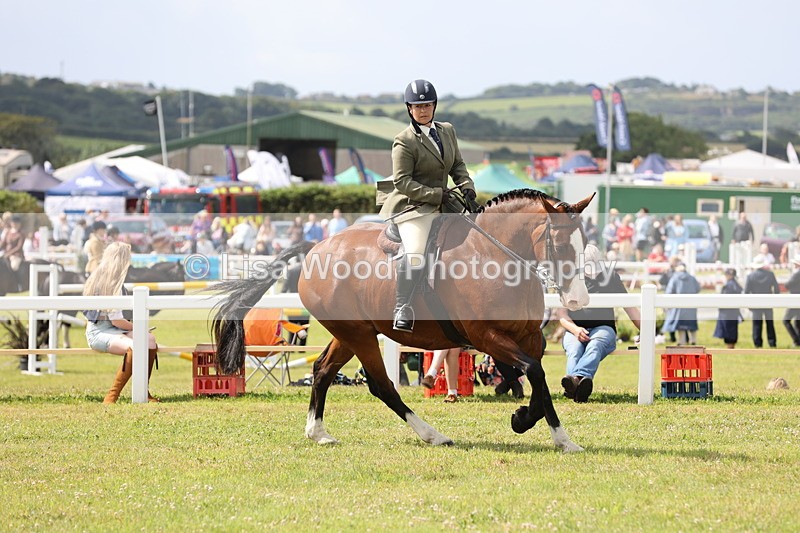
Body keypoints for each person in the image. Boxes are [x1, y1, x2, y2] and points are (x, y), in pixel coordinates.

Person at [378, 79, 476, 332]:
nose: (423, 110)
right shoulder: (404, 141)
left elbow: (457, 165)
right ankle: (403, 307)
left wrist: (467, 186)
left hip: (445, 202)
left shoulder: (447, 131)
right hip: (413, 206)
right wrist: (434, 195)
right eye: (417, 106)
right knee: (416, 251)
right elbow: (402, 181)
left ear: (435, 106)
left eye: (428, 105)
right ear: (409, 109)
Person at [559, 245, 641, 403]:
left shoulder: (611, 278)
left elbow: (629, 306)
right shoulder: (569, 278)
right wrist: (575, 330)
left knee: (595, 345)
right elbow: (561, 314)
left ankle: (574, 381)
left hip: (603, 328)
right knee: (574, 349)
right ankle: (580, 384)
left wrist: (646, 329)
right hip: (574, 329)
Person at [82, 242, 158, 403]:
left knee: (150, 340)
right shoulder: (109, 282)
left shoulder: (108, 278)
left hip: (113, 329)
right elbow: (117, 321)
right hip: (99, 332)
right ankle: (112, 396)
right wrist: (139, 327)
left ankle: (144, 391)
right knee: (136, 346)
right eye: (128, 258)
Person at [661, 263, 701, 345]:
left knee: (681, 325)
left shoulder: (675, 278)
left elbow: (669, 291)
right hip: (691, 305)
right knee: (692, 323)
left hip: (679, 306)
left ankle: (682, 341)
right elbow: (698, 288)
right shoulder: (692, 278)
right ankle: (693, 340)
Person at [744, 258, 780, 348]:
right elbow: (777, 289)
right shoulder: (770, 274)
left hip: (756, 303)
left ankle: (758, 343)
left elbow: (746, 291)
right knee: (770, 323)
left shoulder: (750, 276)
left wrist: (748, 304)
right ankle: (772, 342)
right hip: (768, 302)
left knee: (756, 324)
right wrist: (775, 299)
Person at [713, 268, 743, 348]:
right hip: (734, 311)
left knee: (728, 331)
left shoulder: (727, 286)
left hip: (726, 312)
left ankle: (729, 348)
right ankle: (731, 346)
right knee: (733, 330)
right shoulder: (737, 285)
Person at [782, 255, 800, 347]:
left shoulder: (797, 274)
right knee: (797, 321)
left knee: (786, 320)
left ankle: (796, 340)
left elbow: (787, 285)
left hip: (795, 300)